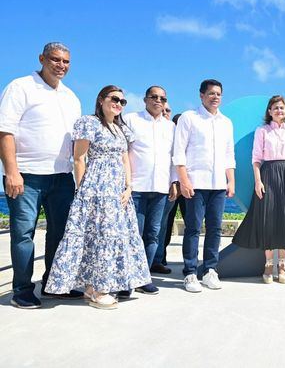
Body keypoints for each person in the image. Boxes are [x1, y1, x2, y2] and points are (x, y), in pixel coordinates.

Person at [45, 85, 151, 309]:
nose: (119, 104)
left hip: (118, 192)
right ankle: (98, 289)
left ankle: (97, 287)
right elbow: (79, 158)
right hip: (96, 188)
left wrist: (128, 186)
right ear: (101, 100)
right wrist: (83, 189)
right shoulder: (89, 123)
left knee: (114, 238)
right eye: (114, 99)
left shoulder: (120, 129)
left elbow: (125, 160)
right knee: (99, 239)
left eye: (123, 101)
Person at [0, 42, 82, 309]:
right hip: (27, 174)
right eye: (55, 60)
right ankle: (22, 290)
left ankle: (53, 283)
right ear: (42, 59)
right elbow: (5, 131)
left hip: (62, 176)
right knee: (23, 234)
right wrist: (11, 171)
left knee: (60, 233)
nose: (61, 65)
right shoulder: (21, 87)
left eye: (66, 62)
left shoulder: (71, 96)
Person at [233, 95, 285, 284]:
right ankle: (268, 264)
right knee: (267, 219)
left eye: (282, 108)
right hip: (268, 174)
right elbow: (256, 158)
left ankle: (282, 265)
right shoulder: (262, 131)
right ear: (269, 111)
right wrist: (258, 181)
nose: (279, 111)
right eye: (275, 108)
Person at [174, 79, 235, 292]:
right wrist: (184, 180)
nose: (215, 97)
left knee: (215, 229)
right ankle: (190, 272)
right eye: (211, 93)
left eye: (218, 93)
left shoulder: (226, 122)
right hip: (195, 183)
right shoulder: (189, 118)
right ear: (201, 95)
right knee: (192, 228)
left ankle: (210, 270)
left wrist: (231, 180)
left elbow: (229, 154)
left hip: (218, 184)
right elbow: (179, 151)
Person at [124, 86, 177, 294]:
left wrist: (174, 182)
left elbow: (174, 157)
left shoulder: (170, 127)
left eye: (162, 98)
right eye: (154, 97)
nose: (158, 101)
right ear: (145, 99)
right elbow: (123, 151)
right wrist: (125, 183)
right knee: (134, 234)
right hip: (136, 187)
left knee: (153, 234)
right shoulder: (131, 119)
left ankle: (143, 277)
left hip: (161, 188)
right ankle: (127, 276)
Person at [152, 112, 185, 275]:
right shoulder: (168, 136)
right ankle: (159, 259)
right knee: (163, 224)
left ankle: (185, 260)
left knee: (189, 224)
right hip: (169, 186)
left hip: (186, 186)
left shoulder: (188, 139)